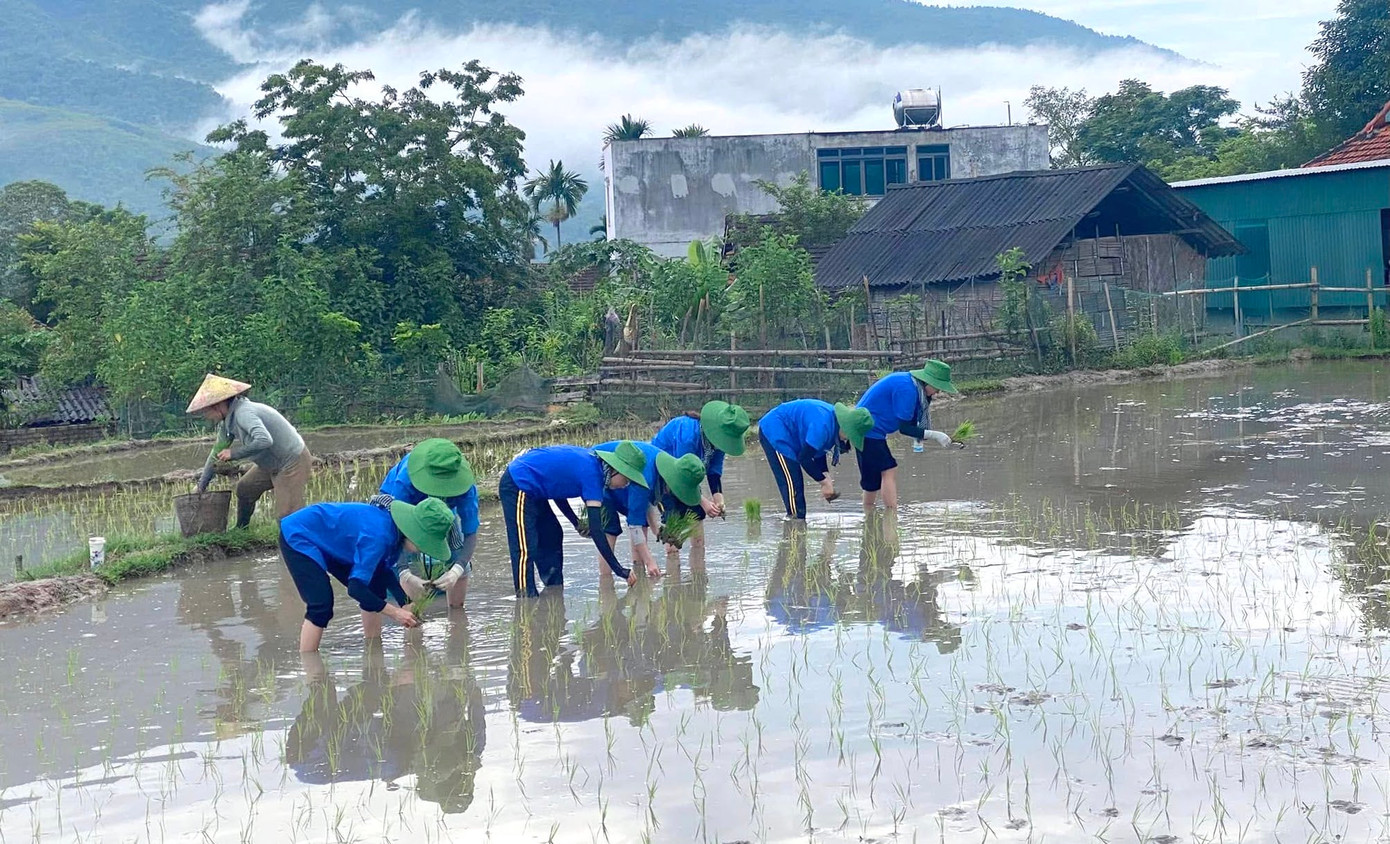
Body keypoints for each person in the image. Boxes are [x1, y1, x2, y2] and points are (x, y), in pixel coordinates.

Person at [278, 496, 454, 652]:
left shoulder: (394, 532)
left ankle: (373, 649)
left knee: (375, 586)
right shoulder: (379, 536)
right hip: (300, 535)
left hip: (332, 540)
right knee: (321, 605)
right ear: (413, 532)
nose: (423, 550)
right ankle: (311, 670)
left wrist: (405, 602)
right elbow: (355, 589)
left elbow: (382, 571)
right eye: (424, 543)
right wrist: (395, 613)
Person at [499, 441, 650, 597]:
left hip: (537, 489)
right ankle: (526, 602)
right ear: (615, 471)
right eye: (627, 479)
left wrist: (575, 522)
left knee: (552, 534)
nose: (625, 485)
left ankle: (553, 592)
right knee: (525, 546)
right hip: (519, 483)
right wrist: (620, 570)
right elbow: (598, 532)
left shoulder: (595, 466)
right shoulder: (593, 475)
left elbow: (557, 490)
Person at [186, 374, 312, 527]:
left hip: (291, 461)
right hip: (271, 463)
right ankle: (241, 529)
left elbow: (264, 440)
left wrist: (234, 453)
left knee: (287, 516)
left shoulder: (244, 413)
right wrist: (201, 486)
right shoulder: (227, 423)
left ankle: (299, 548)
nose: (207, 417)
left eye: (207, 412)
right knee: (245, 489)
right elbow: (215, 454)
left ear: (217, 406)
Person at [377, 438, 478, 609]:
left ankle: (457, 619)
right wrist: (404, 572)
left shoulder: (465, 487)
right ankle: (411, 621)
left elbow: (470, 531)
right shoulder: (406, 480)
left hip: (442, 513)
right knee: (399, 559)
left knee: (458, 557)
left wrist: (457, 570)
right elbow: (395, 525)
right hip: (404, 511)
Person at [854, 359, 961, 512]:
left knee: (872, 478)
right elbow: (904, 428)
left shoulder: (913, 386)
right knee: (888, 469)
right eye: (938, 388)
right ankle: (892, 515)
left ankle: (869, 515)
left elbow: (911, 422)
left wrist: (924, 436)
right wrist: (935, 435)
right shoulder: (908, 389)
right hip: (867, 429)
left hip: (867, 429)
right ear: (927, 381)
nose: (938, 392)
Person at [594, 440, 705, 578]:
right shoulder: (645, 479)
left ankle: (639, 581)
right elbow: (634, 526)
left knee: (641, 522)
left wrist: (655, 528)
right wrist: (650, 562)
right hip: (601, 474)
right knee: (610, 530)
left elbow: (645, 504)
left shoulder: (665, 466)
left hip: (624, 477)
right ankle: (606, 584)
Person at [757, 399, 873, 520]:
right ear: (845, 427)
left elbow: (818, 451)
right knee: (792, 480)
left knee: (796, 479)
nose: (847, 440)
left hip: (792, 434)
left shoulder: (833, 423)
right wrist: (823, 482)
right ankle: (796, 523)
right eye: (850, 435)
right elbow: (805, 458)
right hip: (775, 430)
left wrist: (825, 475)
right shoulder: (822, 426)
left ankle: (798, 522)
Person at [652, 400, 750, 539]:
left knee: (697, 513)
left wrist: (718, 499)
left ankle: (698, 557)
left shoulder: (719, 443)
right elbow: (681, 474)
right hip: (663, 474)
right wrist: (704, 502)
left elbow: (714, 471)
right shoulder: (688, 435)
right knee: (672, 518)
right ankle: (671, 555)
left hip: (686, 477)